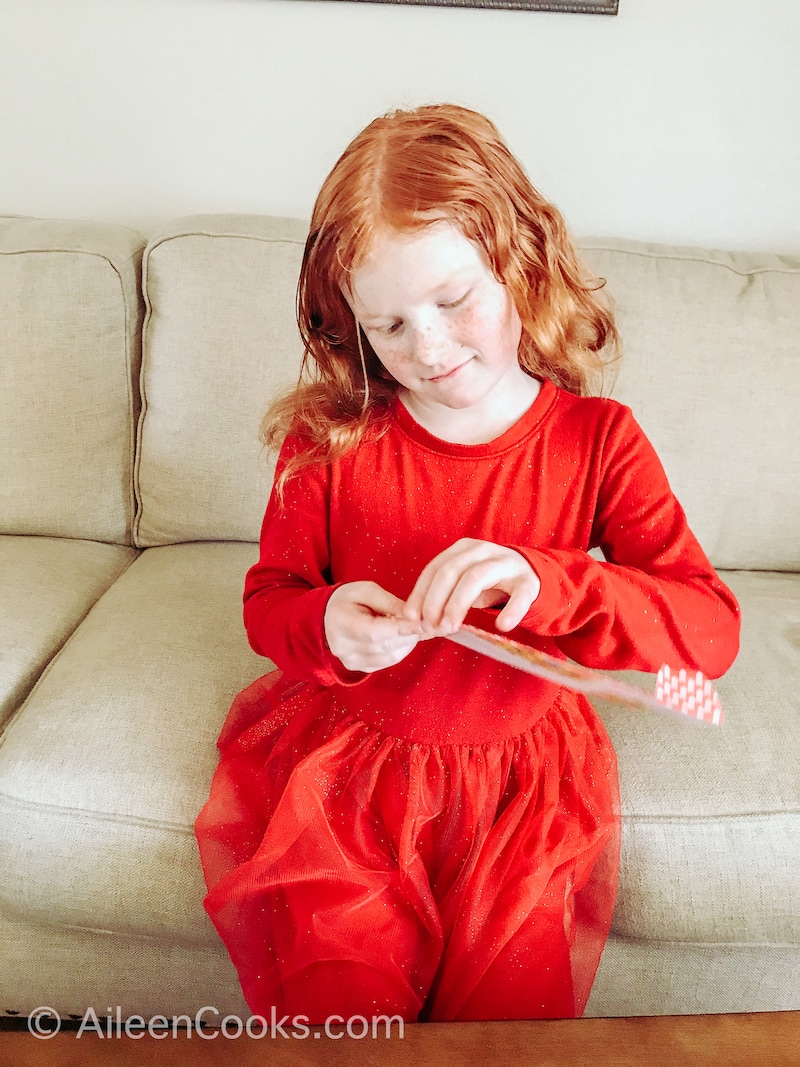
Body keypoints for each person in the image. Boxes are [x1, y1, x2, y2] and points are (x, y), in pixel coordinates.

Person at [195, 103, 740, 1024]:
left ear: (519, 260)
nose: (431, 350)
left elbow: (710, 631)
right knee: (344, 1023)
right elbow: (270, 603)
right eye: (390, 325)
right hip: (350, 789)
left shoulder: (598, 441)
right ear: (350, 324)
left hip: (524, 805)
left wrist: (550, 580)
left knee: (503, 1035)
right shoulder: (326, 441)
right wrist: (324, 623)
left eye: (453, 302)